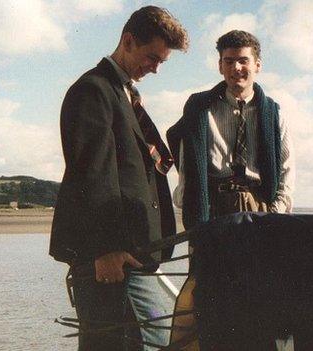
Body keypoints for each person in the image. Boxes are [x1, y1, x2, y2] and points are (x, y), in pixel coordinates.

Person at [49, 6, 188, 350]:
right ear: (128, 40)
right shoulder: (93, 90)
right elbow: (92, 175)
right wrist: (106, 248)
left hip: (133, 256)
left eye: (162, 62)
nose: (155, 68)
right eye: (152, 57)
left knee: (151, 341)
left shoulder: (123, 93)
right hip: (109, 258)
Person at [167, 29, 295, 230]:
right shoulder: (199, 109)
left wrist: (273, 213)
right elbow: (186, 166)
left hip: (260, 210)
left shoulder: (273, 114)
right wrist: (195, 212)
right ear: (220, 66)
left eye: (243, 60)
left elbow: (286, 169)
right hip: (211, 210)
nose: (236, 67)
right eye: (229, 61)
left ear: (257, 65)